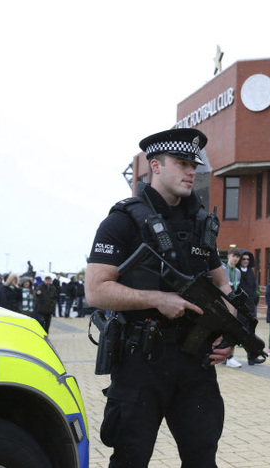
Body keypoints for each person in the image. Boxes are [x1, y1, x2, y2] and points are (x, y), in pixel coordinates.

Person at [84, 127, 233, 467]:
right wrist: (157, 299)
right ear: (155, 165)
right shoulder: (122, 221)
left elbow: (223, 287)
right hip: (141, 362)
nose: (191, 171)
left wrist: (231, 330)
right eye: (181, 163)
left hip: (195, 362)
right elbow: (95, 289)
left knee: (202, 457)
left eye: (194, 164)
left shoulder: (201, 223)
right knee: (131, 457)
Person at [239, 250, 265, 365]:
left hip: (250, 306)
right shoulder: (237, 271)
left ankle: (252, 357)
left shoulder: (250, 271)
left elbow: (254, 287)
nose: (245, 261)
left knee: (251, 333)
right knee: (236, 332)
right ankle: (228, 357)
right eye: (243, 259)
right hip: (240, 306)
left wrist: (255, 299)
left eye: (247, 259)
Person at [222, 247, 244, 368]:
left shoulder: (238, 272)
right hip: (222, 303)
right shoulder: (222, 269)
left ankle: (230, 356)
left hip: (233, 304)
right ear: (228, 256)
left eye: (237, 257)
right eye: (233, 256)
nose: (235, 259)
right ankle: (221, 355)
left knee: (232, 329)